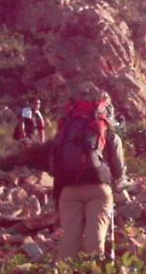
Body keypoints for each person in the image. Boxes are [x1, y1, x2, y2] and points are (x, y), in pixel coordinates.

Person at [51, 82, 128, 261]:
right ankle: (92, 273)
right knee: (95, 235)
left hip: (68, 188)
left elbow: (54, 165)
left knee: (70, 237)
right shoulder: (108, 132)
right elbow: (118, 171)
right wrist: (120, 184)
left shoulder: (65, 131)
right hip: (98, 188)